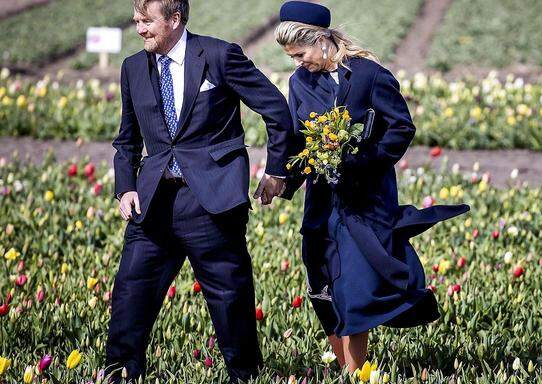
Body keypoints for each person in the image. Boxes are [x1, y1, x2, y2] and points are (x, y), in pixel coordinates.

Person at [276, 1, 470, 372]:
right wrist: (282, 181)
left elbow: (401, 128)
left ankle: (354, 373)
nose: (298, 63)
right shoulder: (299, 82)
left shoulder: (368, 75)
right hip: (322, 202)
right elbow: (298, 141)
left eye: (300, 54)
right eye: (291, 57)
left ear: (320, 40)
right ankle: (344, 364)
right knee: (323, 285)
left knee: (355, 290)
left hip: (364, 201)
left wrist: (361, 160)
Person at [106, 0, 292, 382]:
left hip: (212, 203)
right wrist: (125, 188)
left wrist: (276, 170)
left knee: (230, 302)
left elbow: (275, 108)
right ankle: (119, 374)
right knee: (130, 295)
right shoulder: (132, 68)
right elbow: (126, 140)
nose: (139, 29)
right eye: (136, 21)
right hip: (153, 202)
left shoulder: (220, 55)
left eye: (147, 21)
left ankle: (245, 375)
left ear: (175, 20)